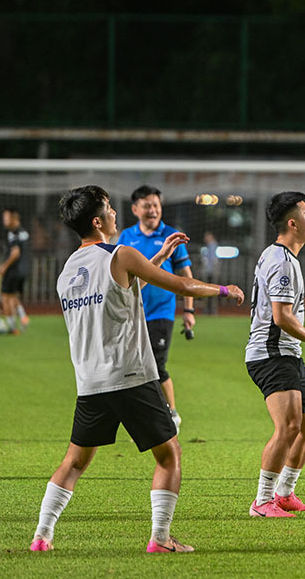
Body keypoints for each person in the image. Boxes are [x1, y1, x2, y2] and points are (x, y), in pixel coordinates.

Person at [30, 185, 244, 553]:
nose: (116, 215)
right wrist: (223, 290)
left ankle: (41, 536)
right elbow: (178, 284)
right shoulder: (122, 253)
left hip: (90, 382)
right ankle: (160, 539)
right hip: (130, 376)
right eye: (110, 209)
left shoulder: (67, 271)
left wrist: (159, 254)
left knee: (75, 461)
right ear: (97, 221)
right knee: (169, 454)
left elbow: (126, 285)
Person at [245, 192, 305, 518]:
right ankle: (262, 501)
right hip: (271, 355)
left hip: (285, 353)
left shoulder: (281, 257)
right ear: (293, 223)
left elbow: (281, 309)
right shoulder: (282, 261)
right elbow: (281, 318)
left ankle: (284, 493)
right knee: (289, 426)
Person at [117, 185, 195, 433]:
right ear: (135, 209)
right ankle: (144, 415)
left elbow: (186, 275)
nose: (153, 210)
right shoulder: (126, 237)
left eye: (156, 205)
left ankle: (171, 414)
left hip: (161, 312)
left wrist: (189, 310)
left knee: (156, 366)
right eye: (147, 205)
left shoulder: (172, 236)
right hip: (132, 313)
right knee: (134, 366)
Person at [0, 208, 32, 334]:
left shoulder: (13, 233)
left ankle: (12, 328)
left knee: (5, 297)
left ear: (14, 218)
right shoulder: (24, 232)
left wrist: (4, 267)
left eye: (6, 217)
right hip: (23, 270)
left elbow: (15, 253)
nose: (4, 220)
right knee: (13, 296)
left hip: (13, 270)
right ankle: (23, 316)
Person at [200, 231, 220, 315]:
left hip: (212, 272)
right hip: (208, 271)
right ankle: (208, 310)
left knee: (212, 292)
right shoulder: (208, 247)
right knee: (207, 292)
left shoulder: (213, 246)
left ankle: (212, 310)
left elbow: (214, 260)